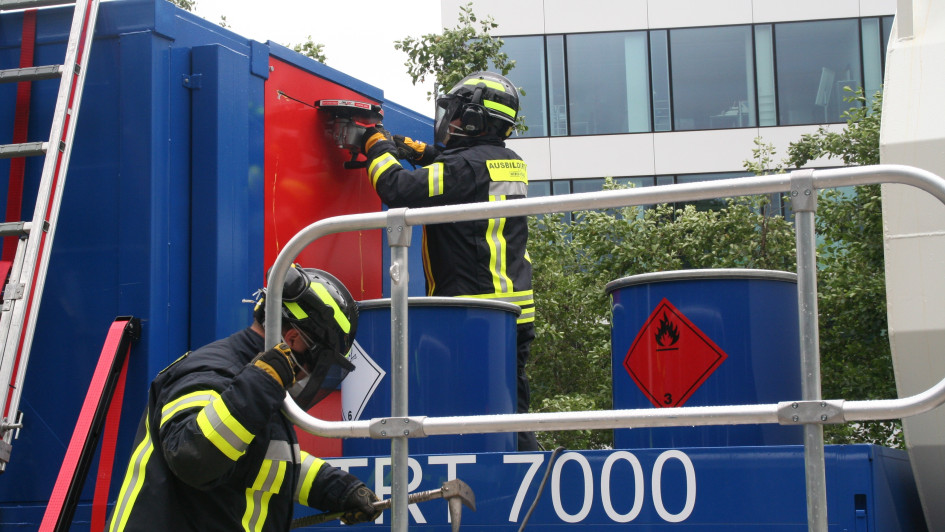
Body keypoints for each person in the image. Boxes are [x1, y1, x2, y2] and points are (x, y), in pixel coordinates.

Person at [107, 265, 381, 531]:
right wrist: (259, 386)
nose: (309, 376)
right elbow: (192, 458)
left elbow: (262, 461)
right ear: (293, 339)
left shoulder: (255, 384)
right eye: (319, 366)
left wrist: (338, 490)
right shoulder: (212, 373)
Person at [360, 71, 539, 451]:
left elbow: (397, 188)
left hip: (475, 312)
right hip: (511, 310)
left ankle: (499, 472)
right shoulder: (509, 162)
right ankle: (528, 469)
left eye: (456, 113)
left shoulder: (463, 169)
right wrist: (418, 151)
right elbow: (463, 169)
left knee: (470, 411)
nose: (451, 120)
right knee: (510, 406)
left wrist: (375, 145)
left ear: (475, 120)